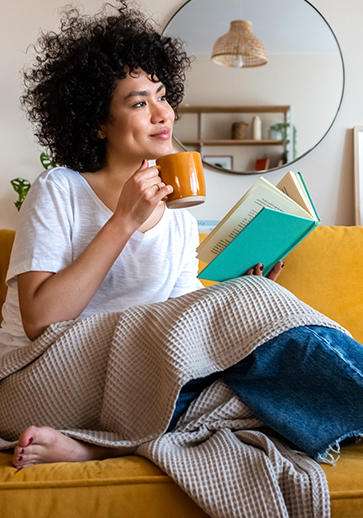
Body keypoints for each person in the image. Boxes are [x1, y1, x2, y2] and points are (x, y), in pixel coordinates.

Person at [0, 2, 287, 469]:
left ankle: (94, 446)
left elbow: (181, 331)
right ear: (96, 121)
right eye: (138, 102)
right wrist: (123, 221)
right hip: (38, 379)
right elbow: (40, 320)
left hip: (124, 388)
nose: (162, 113)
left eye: (161, 94)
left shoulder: (178, 218)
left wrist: (247, 296)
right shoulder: (59, 189)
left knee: (263, 383)